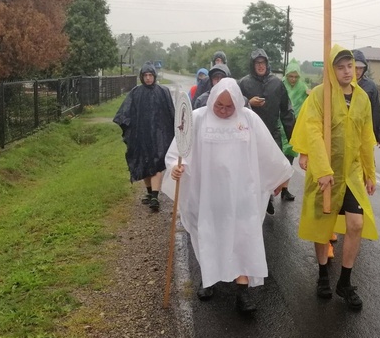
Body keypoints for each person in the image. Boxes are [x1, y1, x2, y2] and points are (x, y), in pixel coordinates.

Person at [163, 78, 293, 313]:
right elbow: (179, 150)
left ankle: (242, 291)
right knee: (210, 236)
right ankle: (210, 278)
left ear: (237, 103)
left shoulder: (248, 120)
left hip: (242, 193)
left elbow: (267, 151)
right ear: (211, 99)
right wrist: (175, 167)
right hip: (209, 194)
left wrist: (280, 177)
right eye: (219, 106)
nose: (223, 111)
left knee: (243, 237)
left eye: (229, 106)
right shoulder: (199, 118)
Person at [290, 45, 377, 310]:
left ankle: (345, 281)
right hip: (325, 172)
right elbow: (313, 132)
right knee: (322, 225)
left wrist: (369, 172)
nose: (347, 71)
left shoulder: (362, 98)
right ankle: (323, 274)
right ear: (331, 69)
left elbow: (366, 138)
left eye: (349, 66)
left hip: (350, 173)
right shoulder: (320, 96)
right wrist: (322, 169)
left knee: (355, 224)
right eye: (340, 67)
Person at [238, 49, 295, 216]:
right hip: (249, 133)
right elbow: (233, 104)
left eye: (263, 63)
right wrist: (248, 102)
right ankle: (253, 199)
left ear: (267, 64)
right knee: (252, 168)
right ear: (253, 65)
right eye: (257, 63)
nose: (261, 66)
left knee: (272, 166)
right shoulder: (243, 83)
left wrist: (294, 137)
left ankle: (269, 196)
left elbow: (286, 111)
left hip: (272, 132)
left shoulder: (277, 83)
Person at [113, 62, 175, 212]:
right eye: (145, 75)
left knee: (157, 163)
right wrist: (128, 127)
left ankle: (155, 195)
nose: (148, 78)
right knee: (144, 163)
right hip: (141, 134)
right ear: (142, 77)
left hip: (160, 135)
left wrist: (173, 132)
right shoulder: (136, 93)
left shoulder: (163, 91)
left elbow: (171, 113)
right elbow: (124, 113)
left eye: (150, 75)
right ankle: (149, 193)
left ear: (154, 76)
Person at [279, 58, 310, 202]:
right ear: (286, 75)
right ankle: (272, 189)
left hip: (294, 129)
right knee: (277, 161)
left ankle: (284, 190)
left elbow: (312, 99)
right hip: (279, 127)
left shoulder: (302, 88)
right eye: (290, 76)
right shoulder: (279, 86)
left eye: (296, 77)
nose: (293, 79)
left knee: (288, 160)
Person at [353, 49, 380, 147]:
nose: (358, 71)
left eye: (361, 68)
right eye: (355, 67)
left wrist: (379, 136)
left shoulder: (370, 86)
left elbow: (376, 111)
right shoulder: (342, 84)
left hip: (365, 130)